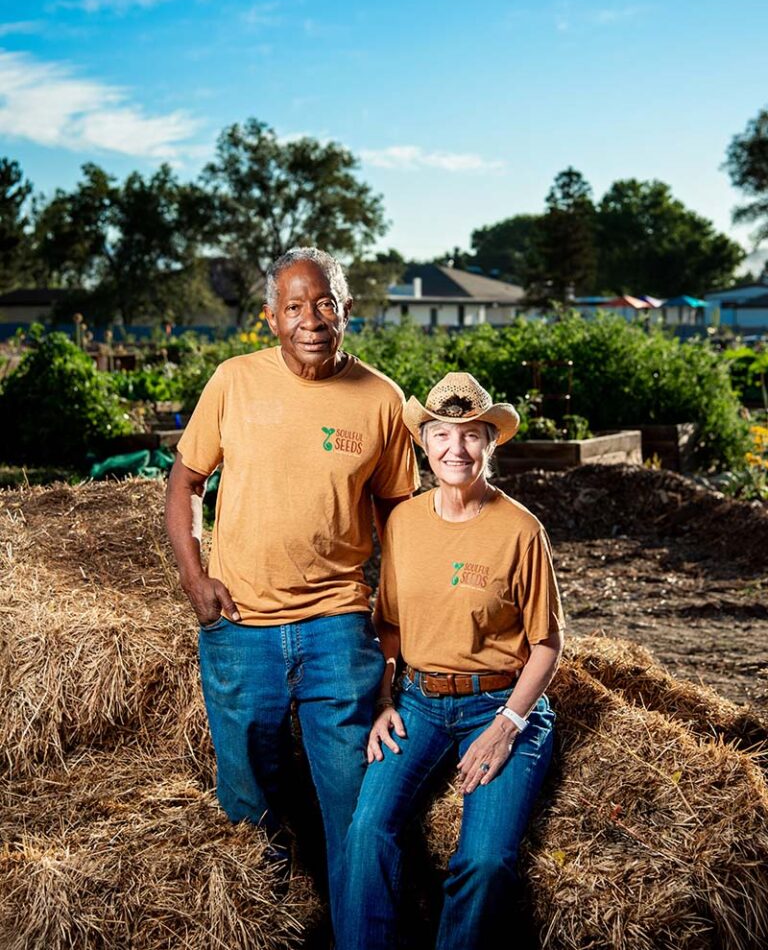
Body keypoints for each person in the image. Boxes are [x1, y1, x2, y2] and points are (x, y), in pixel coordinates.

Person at [164, 246, 418, 932]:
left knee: (357, 805)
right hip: (239, 625)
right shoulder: (233, 381)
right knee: (249, 807)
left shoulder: (383, 401)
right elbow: (186, 482)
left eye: (325, 303)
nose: (312, 319)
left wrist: (394, 628)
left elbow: (402, 519)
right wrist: (195, 577)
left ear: (347, 311)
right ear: (270, 317)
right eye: (296, 306)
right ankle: (266, 934)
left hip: (338, 625)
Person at [337, 372, 565, 950]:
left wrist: (507, 725)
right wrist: (385, 699)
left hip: (499, 702)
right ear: (425, 443)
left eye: (470, 436)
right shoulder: (404, 524)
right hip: (419, 701)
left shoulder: (521, 530)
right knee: (367, 831)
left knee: (485, 860)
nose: (455, 450)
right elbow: (388, 625)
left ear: (491, 443)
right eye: (442, 435)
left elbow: (547, 645)